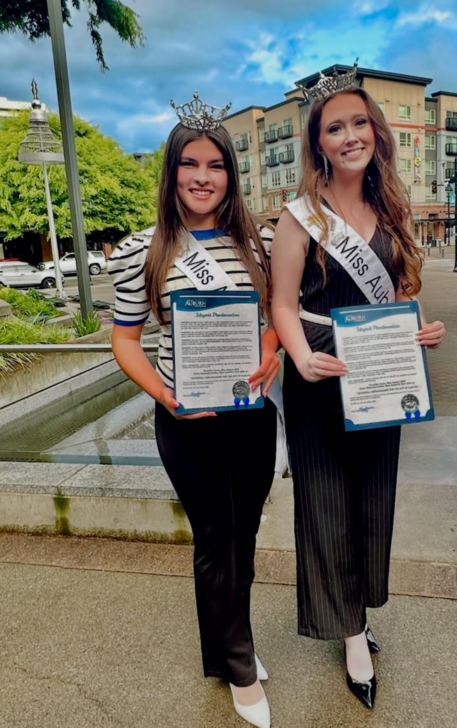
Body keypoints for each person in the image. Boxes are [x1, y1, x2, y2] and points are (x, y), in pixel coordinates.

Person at [271, 66, 446, 709]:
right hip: (320, 371)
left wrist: (421, 330)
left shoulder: (390, 209)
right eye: (335, 127)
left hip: (379, 371)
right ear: (318, 142)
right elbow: (282, 305)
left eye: (359, 122)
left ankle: (359, 610)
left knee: (372, 499)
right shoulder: (300, 218)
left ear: (376, 130)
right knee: (325, 505)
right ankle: (348, 633)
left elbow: (401, 295)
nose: (350, 136)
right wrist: (300, 358)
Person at [108, 91, 281, 728]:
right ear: (172, 171)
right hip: (185, 420)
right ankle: (239, 666)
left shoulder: (261, 241)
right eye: (190, 164)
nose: (202, 178)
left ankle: (224, 647)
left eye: (216, 165)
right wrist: (164, 396)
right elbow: (125, 340)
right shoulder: (142, 249)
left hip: (251, 414)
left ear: (231, 174)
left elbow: (274, 321)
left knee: (247, 535)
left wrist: (270, 353)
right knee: (214, 539)